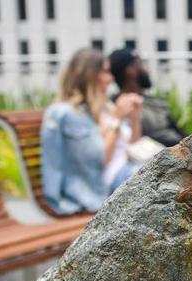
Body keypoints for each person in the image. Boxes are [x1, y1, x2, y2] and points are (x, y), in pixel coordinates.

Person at [41, 48, 143, 215]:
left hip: (125, 174)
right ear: (88, 75)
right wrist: (117, 119)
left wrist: (134, 118)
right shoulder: (69, 113)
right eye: (105, 72)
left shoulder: (106, 108)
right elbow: (100, 159)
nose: (110, 79)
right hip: (105, 187)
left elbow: (133, 147)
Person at [108, 48, 185, 147]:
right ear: (130, 70)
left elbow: (181, 134)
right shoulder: (118, 107)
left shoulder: (156, 102)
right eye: (140, 64)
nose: (147, 70)